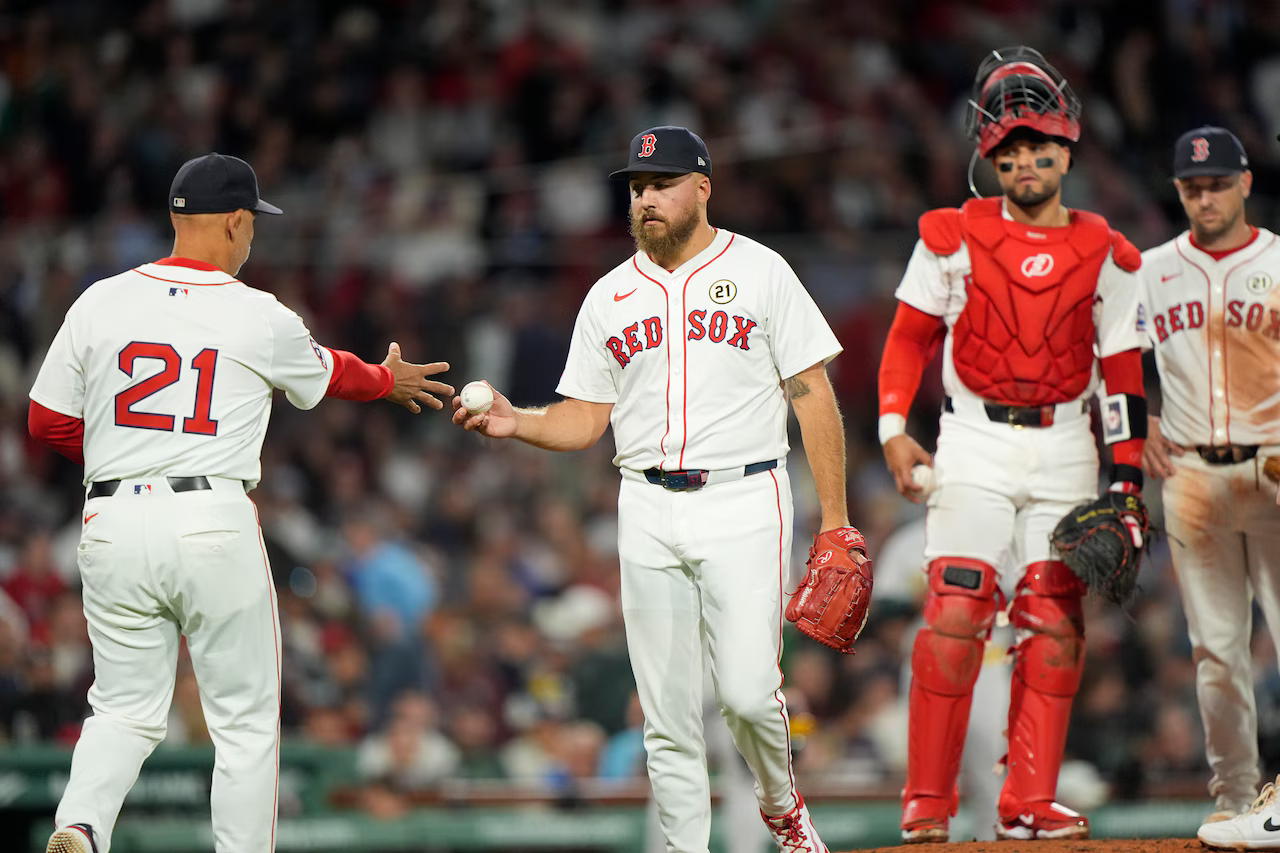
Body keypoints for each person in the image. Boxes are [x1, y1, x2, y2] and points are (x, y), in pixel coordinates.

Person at [28, 153, 453, 853]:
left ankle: (80, 824)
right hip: (208, 516)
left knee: (123, 709)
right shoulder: (258, 313)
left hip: (111, 515)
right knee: (246, 724)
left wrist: (123, 456)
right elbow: (332, 373)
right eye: (251, 222)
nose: (253, 235)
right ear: (232, 221)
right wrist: (386, 378)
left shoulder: (98, 300)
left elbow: (45, 421)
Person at [452, 125, 859, 853]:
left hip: (745, 493)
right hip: (643, 500)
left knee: (745, 694)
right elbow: (584, 420)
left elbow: (811, 394)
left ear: (702, 188)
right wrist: (519, 422)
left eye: (663, 183)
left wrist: (835, 520)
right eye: (638, 187)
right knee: (667, 718)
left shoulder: (761, 271)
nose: (647, 198)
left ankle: (782, 807)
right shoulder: (609, 296)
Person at [875, 47, 1148, 842]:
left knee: (1054, 622)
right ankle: (927, 801)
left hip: (1068, 443)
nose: (1027, 162)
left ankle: (1028, 801)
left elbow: (1122, 377)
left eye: (1040, 148)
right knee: (956, 609)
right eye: (1012, 151)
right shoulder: (949, 235)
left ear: (1066, 149)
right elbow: (907, 340)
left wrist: (1126, 482)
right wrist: (895, 430)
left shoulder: (1109, 251)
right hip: (971, 438)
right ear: (989, 156)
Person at [1136, 126, 1280, 850]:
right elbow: (1113, 352)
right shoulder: (1151, 268)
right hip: (1190, 471)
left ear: (1245, 183)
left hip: (1276, 462)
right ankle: (1234, 795)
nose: (1206, 195)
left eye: (1218, 182)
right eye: (1193, 185)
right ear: (1178, 190)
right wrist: (1136, 419)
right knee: (1215, 647)